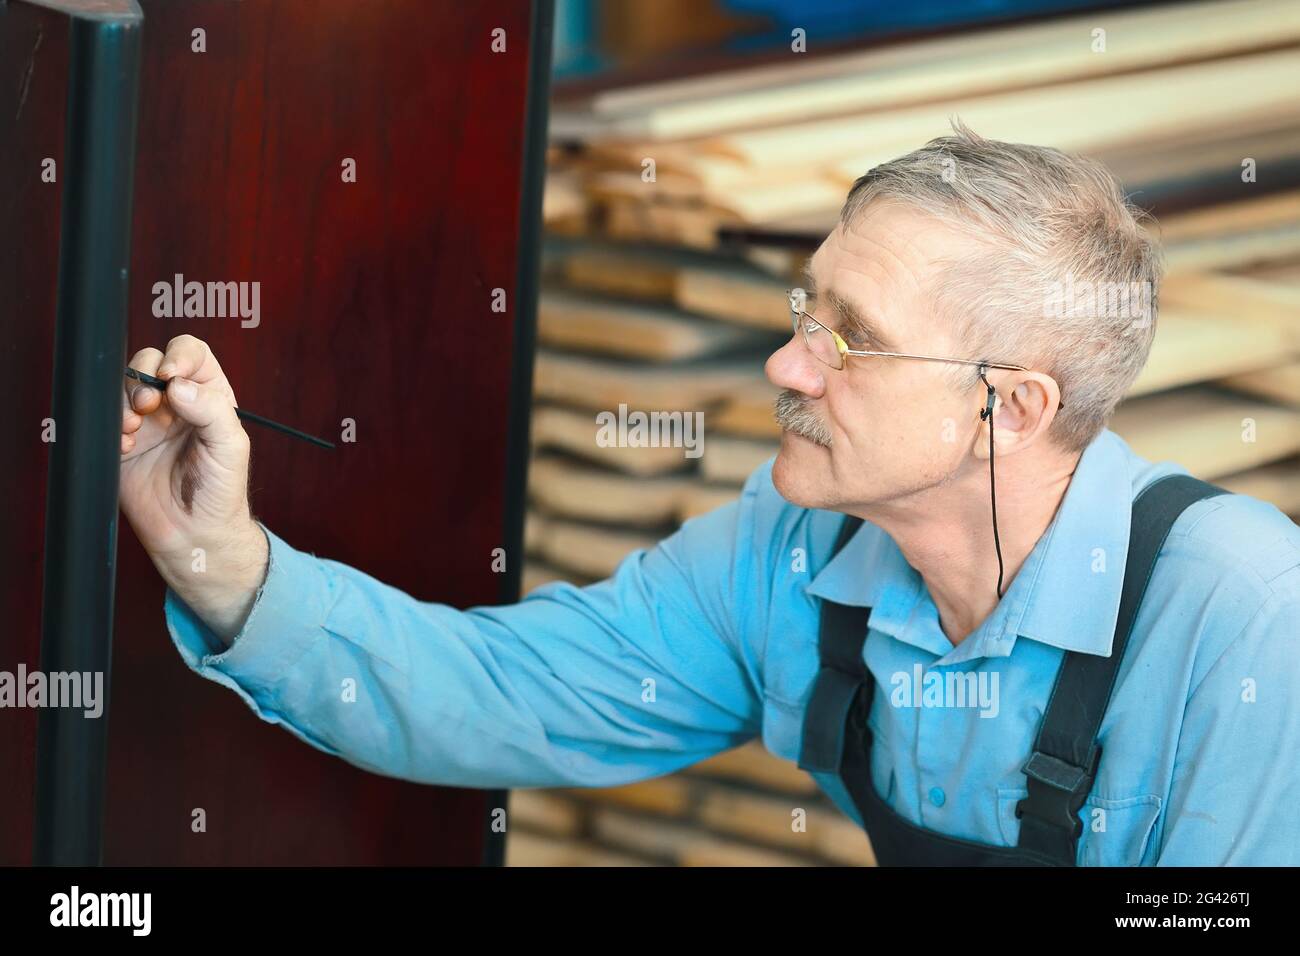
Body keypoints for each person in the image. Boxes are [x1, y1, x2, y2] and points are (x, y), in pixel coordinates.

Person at [119, 121, 1300, 865]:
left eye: (854, 341)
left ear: (1014, 408)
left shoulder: (1239, 615)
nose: (787, 365)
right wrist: (210, 547)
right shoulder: (792, 554)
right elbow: (498, 694)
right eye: (807, 310)